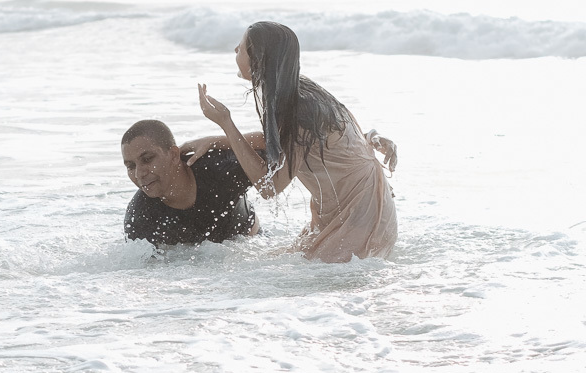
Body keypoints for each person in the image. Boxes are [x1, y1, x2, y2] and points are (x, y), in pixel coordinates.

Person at [192, 21, 398, 262]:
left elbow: (270, 187)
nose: (235, 50)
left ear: (260, 59)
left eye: (242, 47)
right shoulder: (297, 90)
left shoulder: (300, 107)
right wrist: (217, 140)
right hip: (347, 207)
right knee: (285, 265)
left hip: (361, 214)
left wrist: (226, 123)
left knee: (314, 284)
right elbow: (289, 143)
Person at [122, 119, 262, 247]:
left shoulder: (219, 168)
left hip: (254, 245)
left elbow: (273, 145)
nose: (139, 174)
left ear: (174, 155)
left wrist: (217, 141)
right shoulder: (139, 217)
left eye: (147, 159)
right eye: (130, 166)